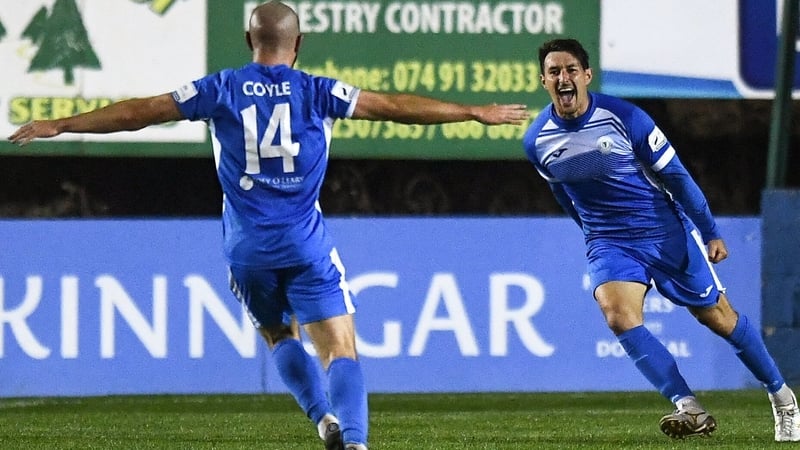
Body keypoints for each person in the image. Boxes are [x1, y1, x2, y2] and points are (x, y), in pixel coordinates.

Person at [8, 2, 528, 449]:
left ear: (248, 40)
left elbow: (142, 112)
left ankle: (321, 419)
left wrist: (62, 124)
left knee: (279, 333)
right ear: (297, 42)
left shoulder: (220, 89)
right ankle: (356, 438)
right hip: (303, 243)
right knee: (340, 349)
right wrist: (472, 111)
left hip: (247, 250)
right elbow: (394, 107)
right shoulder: (317, 91)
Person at [523, 38, 800, 442]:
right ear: (543, 81)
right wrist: (592, 233)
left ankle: (783, 398)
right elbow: (563, 193)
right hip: (609, 241)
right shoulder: (537, 141)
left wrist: (709, 231)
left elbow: (677, 177)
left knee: (718, 317)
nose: (562, 78)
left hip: (663, 231)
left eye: (570, 70)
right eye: (554, 72)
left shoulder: (626, 118)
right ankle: (688, 406)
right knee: (618, 315)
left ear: (586, 76)